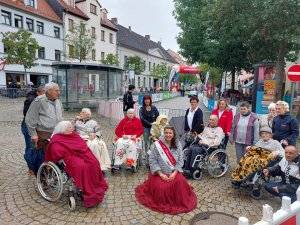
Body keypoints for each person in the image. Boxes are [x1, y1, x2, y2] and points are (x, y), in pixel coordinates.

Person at [135, 126, 197, 214]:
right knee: (161, 188)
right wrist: (160, 174)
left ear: (173, 134)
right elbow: (152, 160)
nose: (168, 135)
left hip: (173, 172)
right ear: (164, 133)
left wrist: (174, 173)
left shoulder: (177, 144)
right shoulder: (157, 144)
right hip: (159, 172)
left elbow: (180, 160)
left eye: (170, 133)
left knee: (180, 184)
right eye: (166, 133)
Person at [45, 121, 108, 208]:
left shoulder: (73, 134)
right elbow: (56, 150)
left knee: (94, 162)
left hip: (81, 153)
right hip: (68, 157)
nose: (72, 129)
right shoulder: (57, 138)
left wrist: (79, 151)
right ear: (63, 129)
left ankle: (95, 185)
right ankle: (85, 189)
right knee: (82, 166)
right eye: (69, 127)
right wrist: (71, 152)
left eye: (71, 127)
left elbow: (82, 144)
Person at [25, 82, 63, 173]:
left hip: (57, 133)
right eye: (56, 90)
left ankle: (56, 172)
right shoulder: (39, 100)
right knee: (45, 155)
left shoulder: (58, 101)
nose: (59, 92)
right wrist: (33, 134)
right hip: (43, 132)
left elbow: (61, 116)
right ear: (49, 91)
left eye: (59, 90)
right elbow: (30, 119)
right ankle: (44, 177)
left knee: (60, 152)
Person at [21, 85, 45, 174]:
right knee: (30, 148)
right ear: (41, 92)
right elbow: (27, 115)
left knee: (36, 147)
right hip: (28, 128)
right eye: (45, 93)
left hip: (35, 127)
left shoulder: (38, 98)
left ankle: (36, 165)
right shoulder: (32, 100)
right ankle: (31, 167)